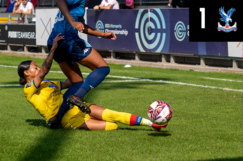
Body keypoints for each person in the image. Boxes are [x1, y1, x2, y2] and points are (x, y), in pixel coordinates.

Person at [18, 34, 168, 131]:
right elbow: (44, 70)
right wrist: (54, 49)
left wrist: (72, 58)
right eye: (34, 67)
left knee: (112, 115)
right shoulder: (28, 89)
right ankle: (65, 122)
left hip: (77, 106)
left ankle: (151, 124)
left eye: (37, 66)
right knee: (112, 127)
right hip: (67, 119)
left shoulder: (49, 83)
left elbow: (71, 82)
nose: (38, 69)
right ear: (26, 73)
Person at [46, 0, 117, 128]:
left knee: (76, 82)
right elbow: (60, 0)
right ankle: (78, 97)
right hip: (69, 41)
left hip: (56, 43)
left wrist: (103, 34)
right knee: (103, 68)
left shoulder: (80, 0)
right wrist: (71, 21)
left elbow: (82, 26)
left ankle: (57, 118)